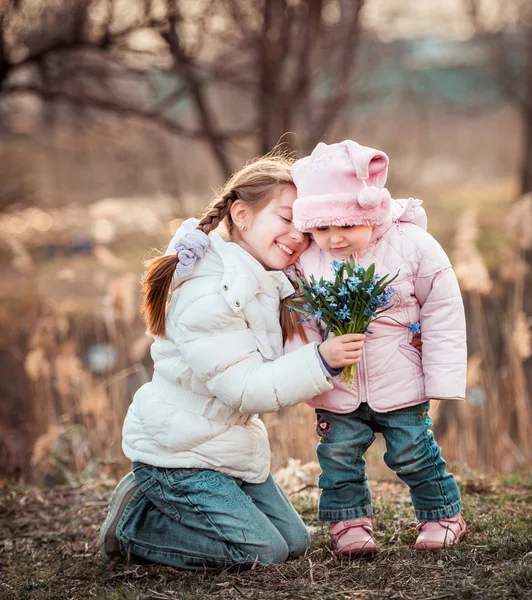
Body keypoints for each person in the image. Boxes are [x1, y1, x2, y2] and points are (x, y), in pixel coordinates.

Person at [97, 155, 366, 570]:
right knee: (263, 553)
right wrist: (321, 362)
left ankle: (177, 506)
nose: (298, 236)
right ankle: (138, 522)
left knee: (294, 543)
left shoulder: (267, 280)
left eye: (306, 226)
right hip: (177, 455)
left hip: (221, 446)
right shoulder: (210, 290)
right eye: (285, 219)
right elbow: (244, 389)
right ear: (241, 215)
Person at [285, 140, 467, 556]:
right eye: (322, 228)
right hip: (336, 386)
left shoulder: (412, 245)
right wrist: (309, 374)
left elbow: (443, 310)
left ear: (371, 212)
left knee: (413, 453)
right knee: (339, 460)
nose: (334, 239)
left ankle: (441, 513)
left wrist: (440, 376)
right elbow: (299, 320)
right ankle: (349, 523)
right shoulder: (306, 261)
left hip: (400, 379)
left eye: (346, 226)